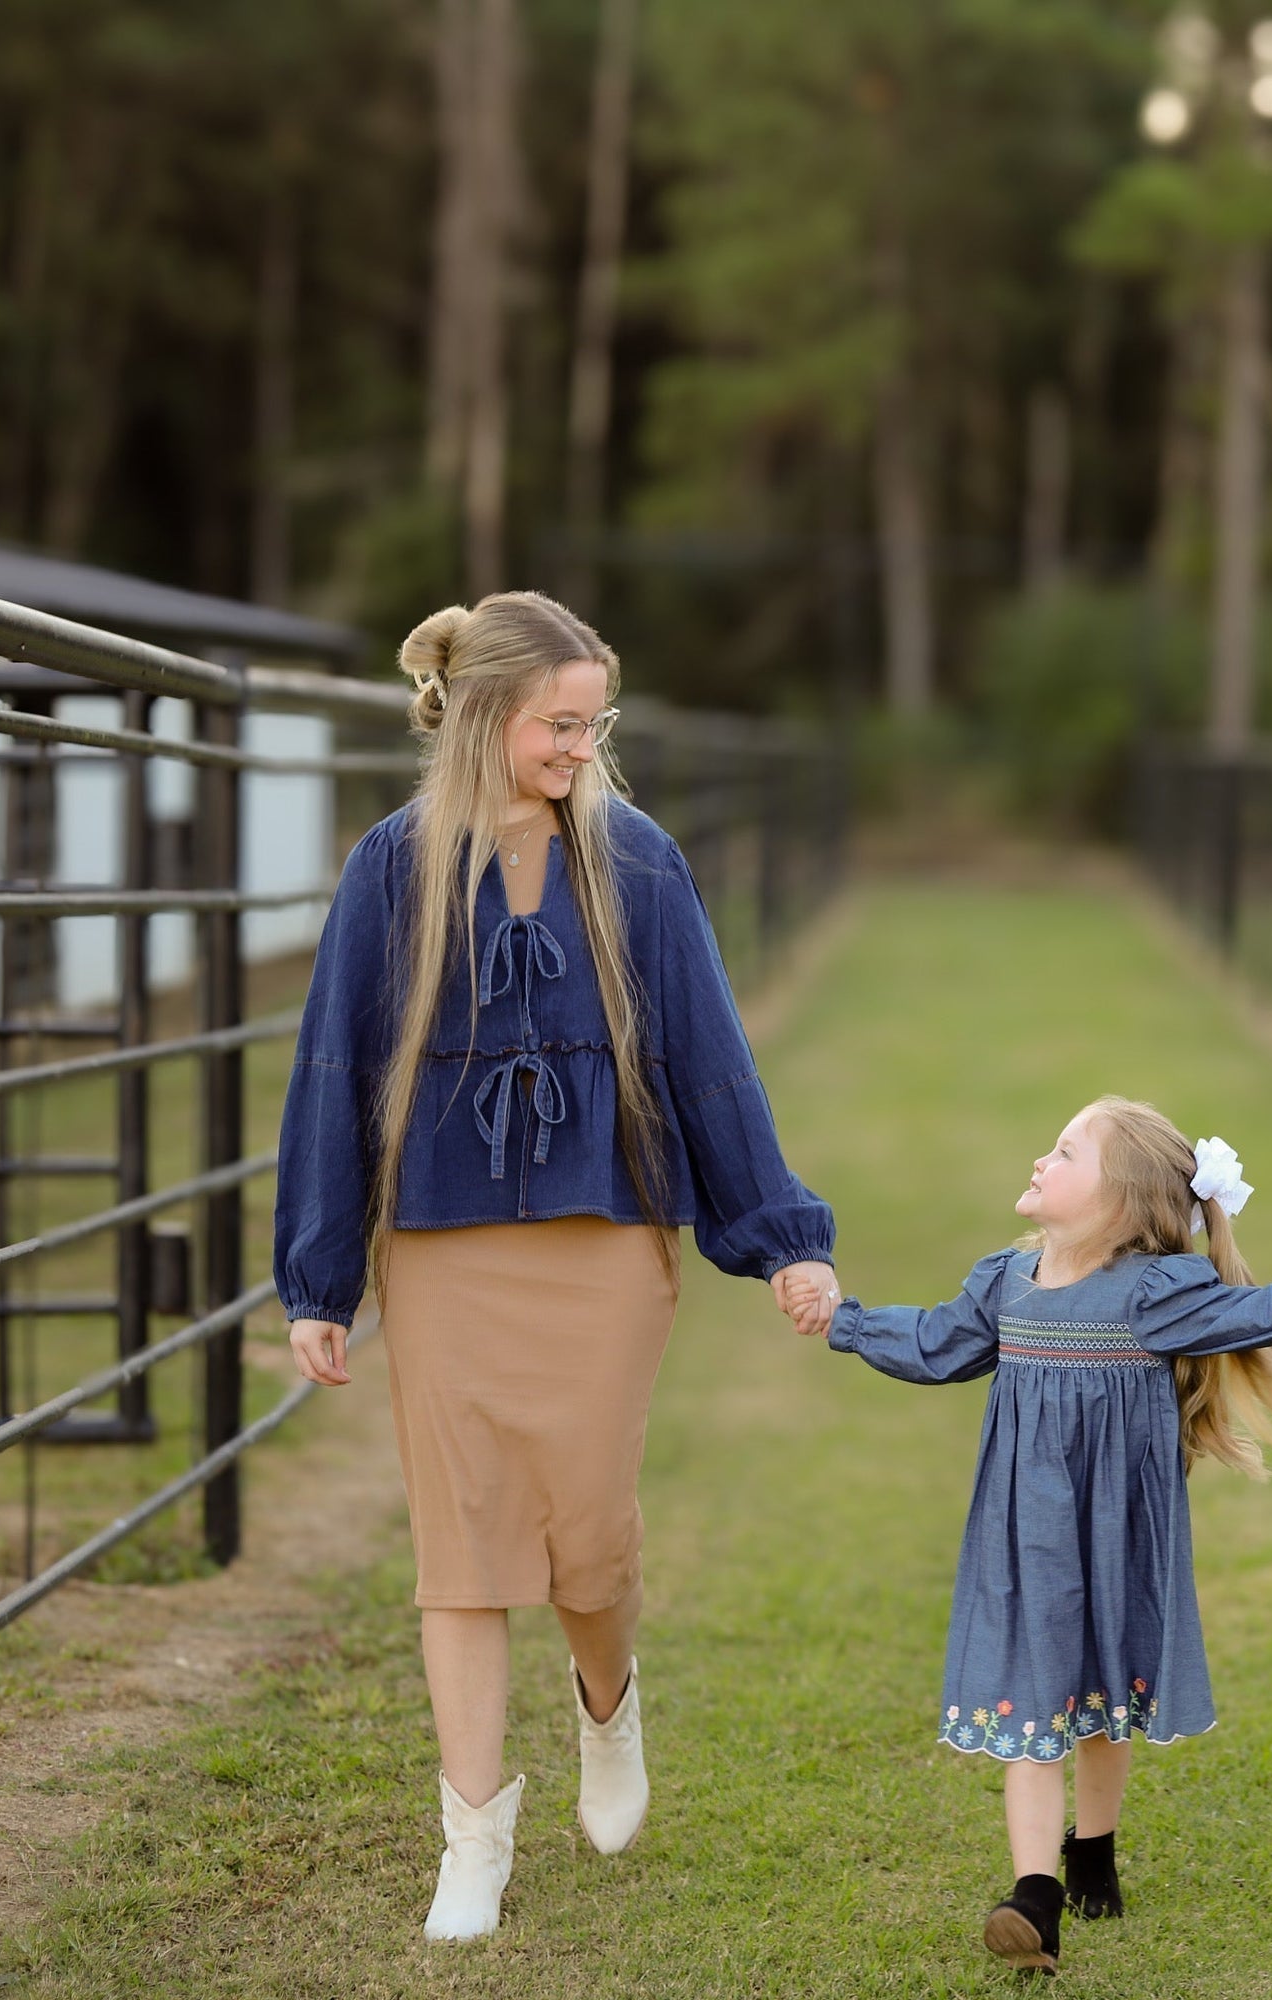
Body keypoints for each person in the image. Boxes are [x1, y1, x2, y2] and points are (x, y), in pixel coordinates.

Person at [275, 591, 835, 1942]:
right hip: (442, 1247)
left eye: (597, 722)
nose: (584, 746)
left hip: (605, 1240)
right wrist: (318, 1278)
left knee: (587, 1538)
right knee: (461, 1544)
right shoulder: (388, 870)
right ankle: (472, 1835)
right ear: (480, 717)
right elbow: (336, 1073)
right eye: (560, 724)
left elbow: (707, 1056)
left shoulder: (636, 863)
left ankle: (608, 1703)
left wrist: (781, 1239)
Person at [794, 1097, 1272, 1975]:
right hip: (1023, 1535)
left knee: (1100, 1693)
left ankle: (1093, 1851)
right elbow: (932, 1344)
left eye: (1065, 1152)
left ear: (1122, 1204)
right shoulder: (1004, 1283)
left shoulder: (1152, 1293)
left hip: (1115, 1537)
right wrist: (844, 1319)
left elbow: (1248, 1315)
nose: (1041, 1159)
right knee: (1033, 1692)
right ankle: (1034, 1896)